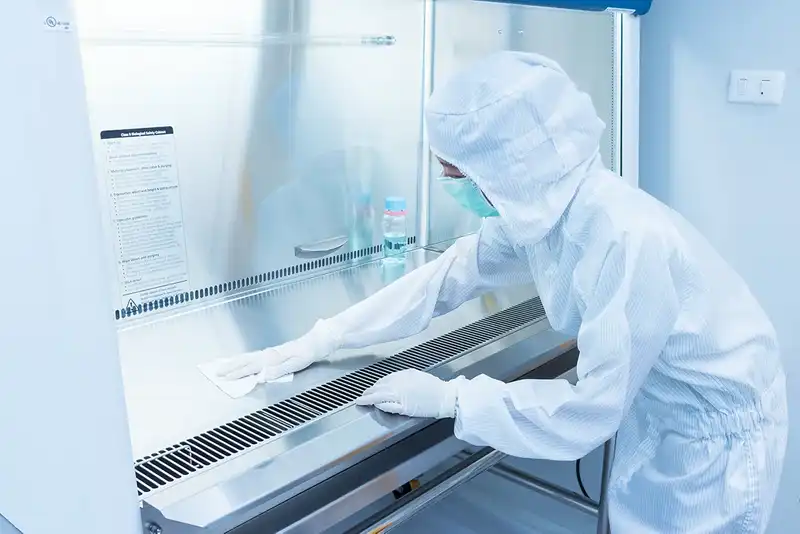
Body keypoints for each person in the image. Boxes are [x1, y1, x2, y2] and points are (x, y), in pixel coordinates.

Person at [218, 52, 787, 533]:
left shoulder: (623, 238)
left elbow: (589, 413)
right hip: (659, 413)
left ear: (505, 167)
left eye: (452, 170)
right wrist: (324, 338)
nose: (445, 181)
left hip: (712, 437)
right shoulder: (544, 211)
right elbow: (447, 278)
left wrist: (453, 400)